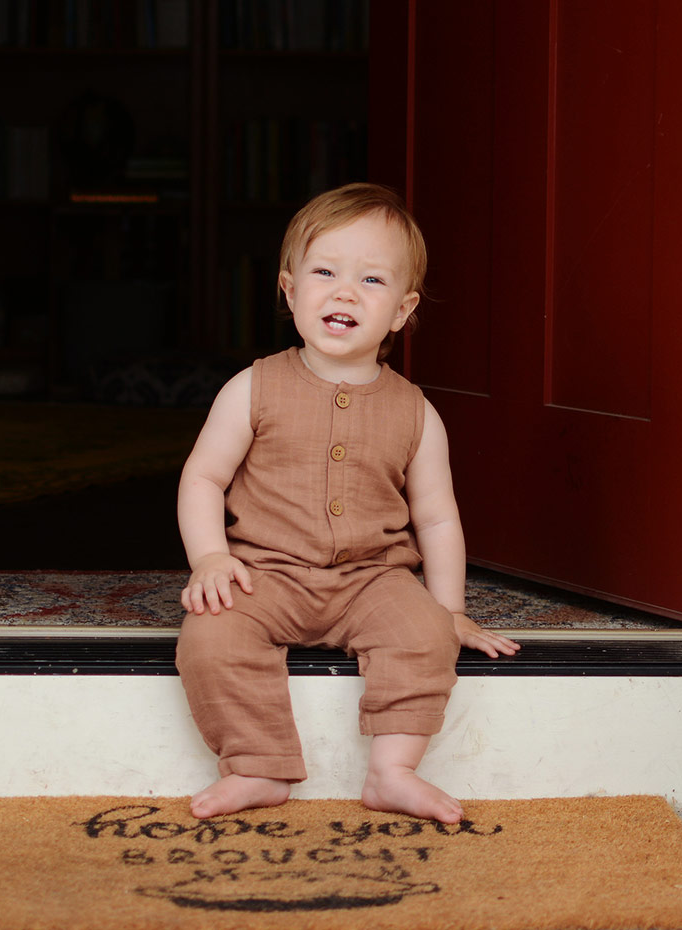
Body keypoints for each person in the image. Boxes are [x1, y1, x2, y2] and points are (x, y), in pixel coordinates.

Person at [175, 182, 519, 824]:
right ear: (289, 289)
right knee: (211, 636)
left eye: (371, 280)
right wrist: (211, 559)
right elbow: (202, 479)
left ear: (400, 310)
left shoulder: (417, 411)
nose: (343, 291)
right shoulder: (252, 387)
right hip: (265, 573)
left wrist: (450, 612)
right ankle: (256, 764)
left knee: (423, 635)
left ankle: (393, 771)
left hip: (373, 579)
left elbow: (438, 518)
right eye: (325, 272)